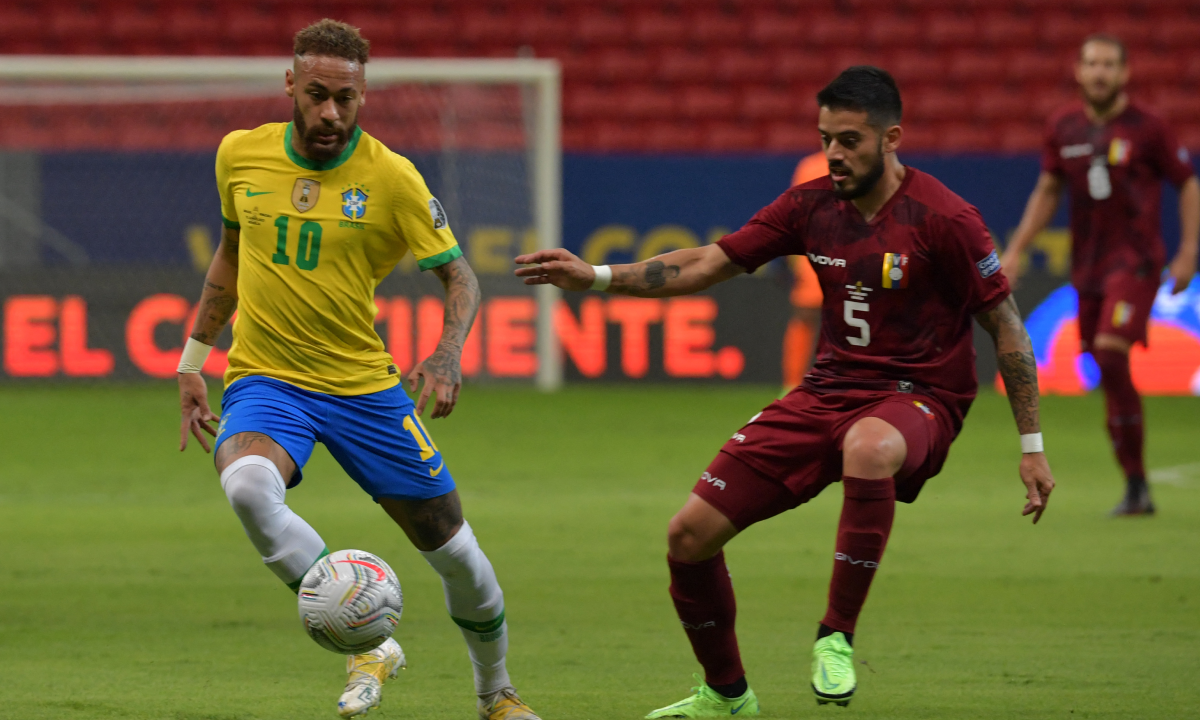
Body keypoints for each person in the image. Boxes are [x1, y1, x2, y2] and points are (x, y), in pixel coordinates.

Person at [515, 66, 1055, 716]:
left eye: (850, 140)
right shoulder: (810, 204)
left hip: (920, 396)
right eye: (826, 137)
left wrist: (1031, 444)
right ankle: (725, 694)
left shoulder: (944, 219)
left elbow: (1007, 327)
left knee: (870, 446)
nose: (834, 153)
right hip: (826, 391)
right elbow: (713, 261)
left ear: (892, 139)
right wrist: (599, 277)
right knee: (688, 536)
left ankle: (835, 637)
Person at [176, 20, 540, 720]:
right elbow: (228, 254)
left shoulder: (393, 176)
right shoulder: (239, 156)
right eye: (316, 95)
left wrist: (447, 351)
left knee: (456, 554)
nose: (330, 114)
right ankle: (367, 640)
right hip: (266, 378)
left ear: (363, 94)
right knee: (249, 488)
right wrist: (195, 359)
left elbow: (459, 275)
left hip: (365, 389)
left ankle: (496, 692)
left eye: (346, 98)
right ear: (291, 85)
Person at [1001, 34, 1199, 517]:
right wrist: (1017, 250)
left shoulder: (1149, 127)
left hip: (1135, 262)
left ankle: (1136, 482)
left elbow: (1186, 182)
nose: (1100, 72)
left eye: (1109, 64)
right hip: (1087, 267)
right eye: (1092, 63)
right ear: (1079, 70)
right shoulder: (1063, 127)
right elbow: (1048, 190)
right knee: (1104, 366)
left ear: (1125, 73)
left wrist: (1189, 250)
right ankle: (1135, 484)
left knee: (1110, 351)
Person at [782, 152, 830, 392]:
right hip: (814, 252)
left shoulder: (866, 164)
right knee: (805, 314)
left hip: (856, 251)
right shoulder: (810, 166)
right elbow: (796, 215)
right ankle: (792, 386)